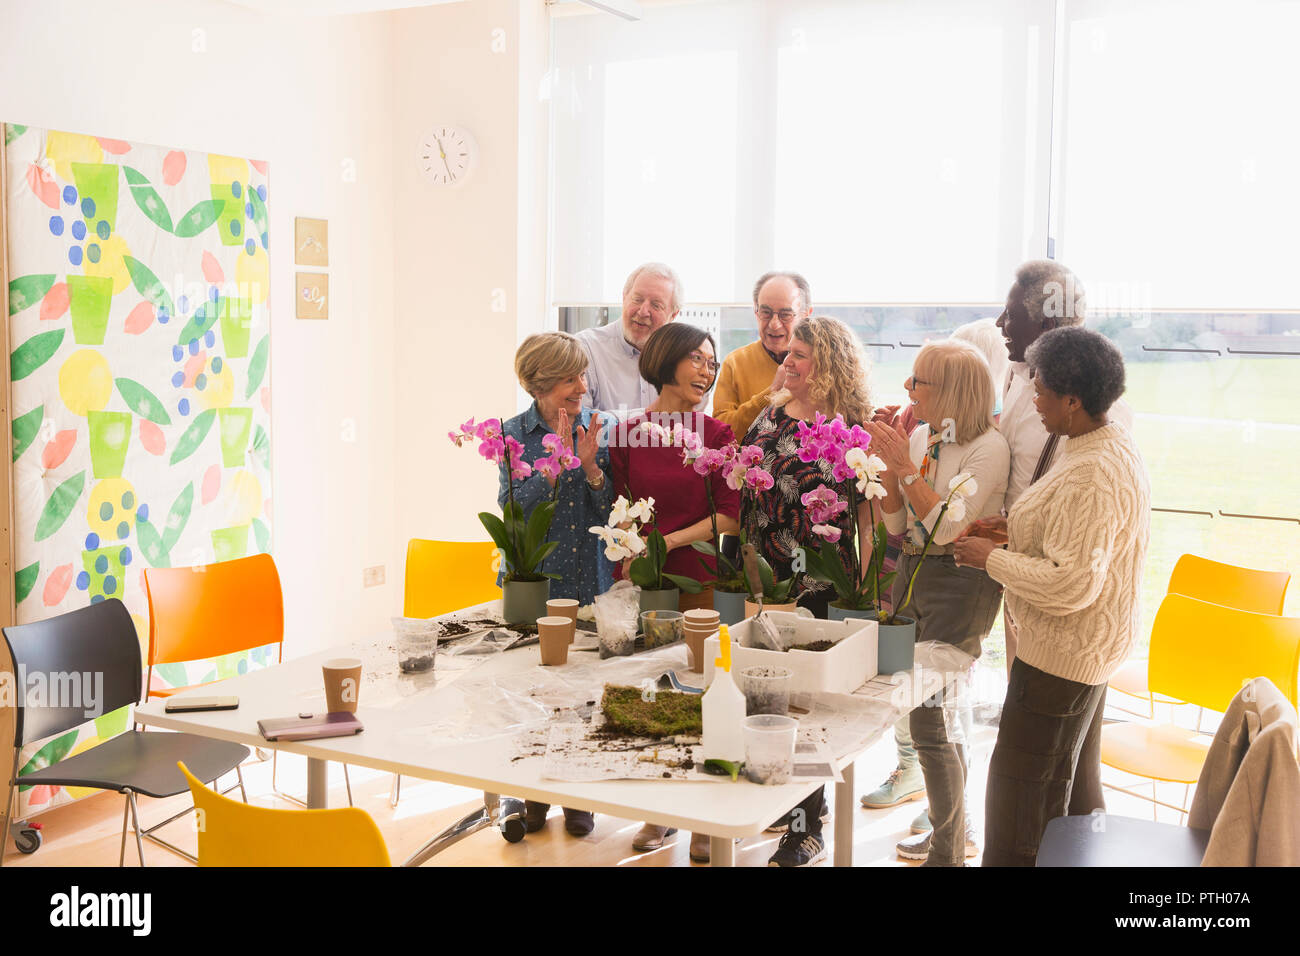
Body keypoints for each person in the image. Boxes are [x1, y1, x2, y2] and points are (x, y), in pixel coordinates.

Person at [953, 326, 1149, 867]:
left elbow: (1072, 583)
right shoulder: (1100, 444)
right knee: (1073, 793)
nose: (1031, 402)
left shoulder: (1093, 471)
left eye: (1040, 391)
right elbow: (1079, 534)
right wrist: (1015, 528)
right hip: (1087, 653)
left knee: (1022, 800)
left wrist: (988, 557)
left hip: (1063, 656)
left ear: (1072, 400)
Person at [865, 339, 1010, 866]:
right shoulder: (926, 435)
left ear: (949, 391)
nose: (907, 389)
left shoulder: (987, 448)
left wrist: (904, 465)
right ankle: (955, 831)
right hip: (912, 573)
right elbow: (897, 523)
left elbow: (949, 529)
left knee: (931, 720)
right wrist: (887, 464)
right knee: (933, 718)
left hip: (958, 586)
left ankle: (948, 847)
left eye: (918, 380)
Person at [742, 315, 875, 867]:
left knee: (810, 707)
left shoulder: (854, 425)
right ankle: (780, 797)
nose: (786, 362)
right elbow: (750, 494)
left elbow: (869, 517)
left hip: (823, 581)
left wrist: (866, 591)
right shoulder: (771, 413)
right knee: (764, 696)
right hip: (764, 577)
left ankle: (808, 826)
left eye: (800, 354)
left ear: (830, 363)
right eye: (786, 352)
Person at [608, 322, 741, 865]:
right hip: (642, 583)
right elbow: (618, 510)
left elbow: (729, 517)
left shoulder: (718, 435)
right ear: (665, 360)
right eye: (697, 359)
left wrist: (665, 541)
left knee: (703, 693)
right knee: (652, 696)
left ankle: (707, 817)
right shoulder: (629, 433)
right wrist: (633, 550)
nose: (707, 371)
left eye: (713, 362)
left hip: (700, 581)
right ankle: (661, 811)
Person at [499, 332, 613, 838]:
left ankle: (576, 795)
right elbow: (513, 513)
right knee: (529, 691)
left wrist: (588, 466)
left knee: (582, 693)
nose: (582, 387)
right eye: (571, 378)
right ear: (541, 383)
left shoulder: (599, 428)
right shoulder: (511, 434)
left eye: (583, 376)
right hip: (534, 583)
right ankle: (526, 795)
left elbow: (608, 515)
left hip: (586, 582)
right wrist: (554, 465)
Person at [995, 260, 1133, 675]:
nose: (1001, 323)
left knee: (1040, 713)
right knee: (1018, 689)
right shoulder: (1017, 378)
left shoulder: (1104, 418)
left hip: (1059, 600)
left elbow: (1081, 542)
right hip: (1019, 574)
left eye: (1012, 315)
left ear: (1046, 322)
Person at [712, 271, 813, 436]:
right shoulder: (735, 362)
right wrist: (771, 391)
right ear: (755, 311)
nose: (774, 324)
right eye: (765, 313)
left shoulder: (822, 364)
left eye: (785, 315)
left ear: (805, 314)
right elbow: (720, 432)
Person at [577, 261, 683, 417]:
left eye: (656, 305)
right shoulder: (585, 349)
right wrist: (648, 415)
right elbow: (578, 423)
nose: (643, 311)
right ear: (624, 297)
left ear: (673, 315)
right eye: (637, 299)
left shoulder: (684, 359)